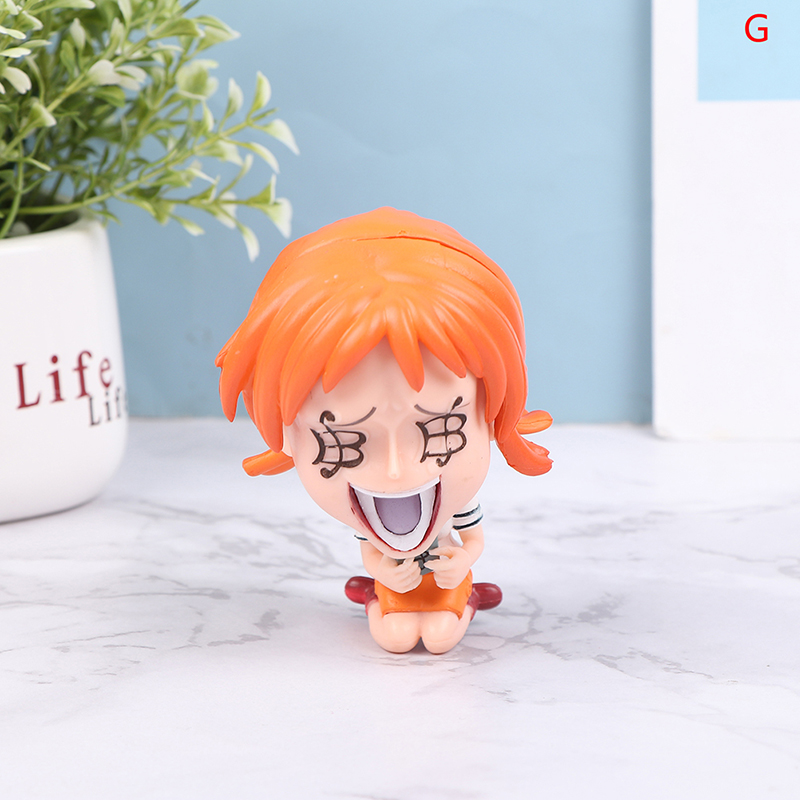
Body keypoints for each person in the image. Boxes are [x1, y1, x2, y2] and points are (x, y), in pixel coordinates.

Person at [216, 207, 551, 653]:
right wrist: (385, 574)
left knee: (440, 636)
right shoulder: (369, 520)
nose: (396, 471)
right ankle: (376, 599)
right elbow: (371, 553)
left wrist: (460, 563)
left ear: (492, 411)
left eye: (440, 432)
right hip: (395, 589)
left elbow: (471, 538)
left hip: (447, 584)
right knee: (394, 636)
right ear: (289, 434)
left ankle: (464, 602)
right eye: (345, 445)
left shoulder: (458, 504)